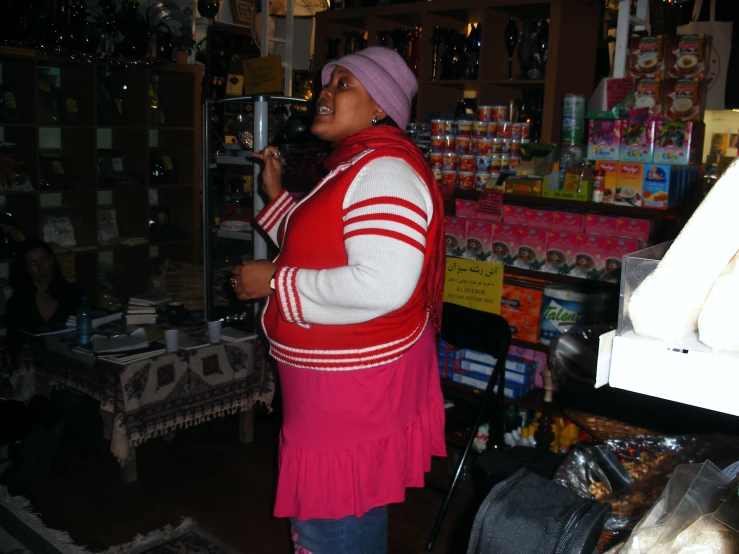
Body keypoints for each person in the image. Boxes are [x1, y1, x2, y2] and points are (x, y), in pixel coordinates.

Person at [231, 46, 447, 553]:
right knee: (334, 520)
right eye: (327, 83)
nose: (325, 93)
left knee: (333, 526)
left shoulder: (384, 171)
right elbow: (321, 245)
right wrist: (276, 195)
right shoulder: (355, 165)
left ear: (381, 107)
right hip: (340, 386)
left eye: (344, 84)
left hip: (353, 389)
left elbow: (382, 284)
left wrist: (275, 282)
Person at [5, 239, 81, 365]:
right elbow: (14, 346)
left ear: (51, 259)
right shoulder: (17, 304)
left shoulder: (73, 294)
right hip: (32, 368)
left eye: (44, 259)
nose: (41, 268)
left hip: (69, 365)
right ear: (26, 268)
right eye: (33, 263)